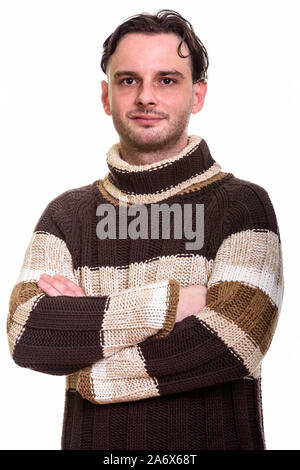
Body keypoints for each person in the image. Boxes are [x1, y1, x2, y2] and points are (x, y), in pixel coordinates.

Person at [7, 9, 284, 450]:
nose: (146, 97)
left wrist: (89, 367)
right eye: (129, 80)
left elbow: (237, 337)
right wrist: (174, 303)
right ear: (106, 96)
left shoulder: (243, 207)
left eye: (167, 80)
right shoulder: (66, 215)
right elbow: (27, 332)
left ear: (197, 95)